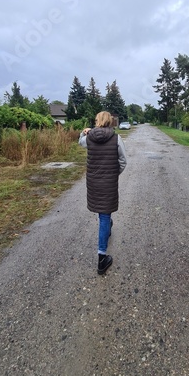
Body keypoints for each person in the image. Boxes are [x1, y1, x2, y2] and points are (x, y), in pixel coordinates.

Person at [78, 111, 127, 274]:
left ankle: (108, 226)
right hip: (108, 182)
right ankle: (101, 259)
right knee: (105, 215)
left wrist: (83, 131)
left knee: (103, 211)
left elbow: (80, 143)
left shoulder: (89, 137)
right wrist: (114, 174)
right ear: (110, 121)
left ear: (98, 121)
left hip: (93, 182)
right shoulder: (116, 138)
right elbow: (123, 161)